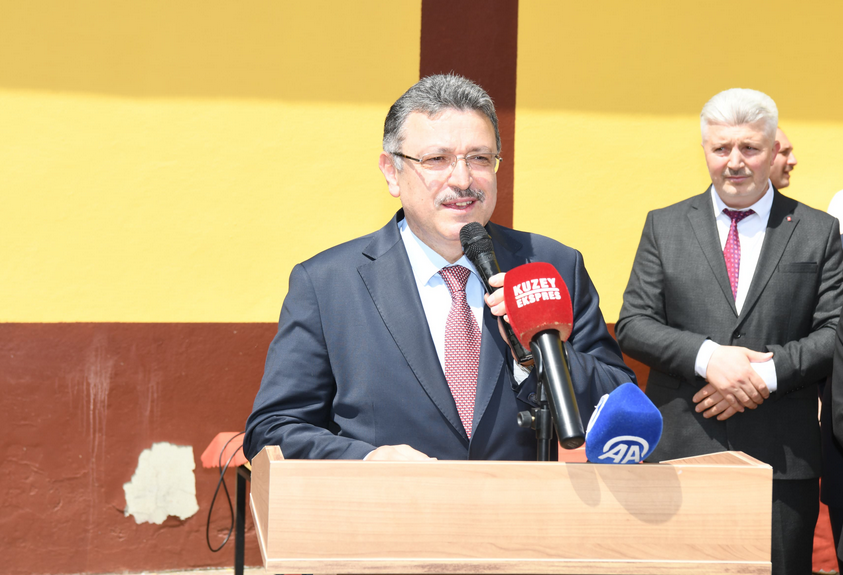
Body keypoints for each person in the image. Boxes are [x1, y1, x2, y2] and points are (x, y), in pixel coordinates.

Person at [244, 74, 634, 463]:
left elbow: (624, 406)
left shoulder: (549, 265)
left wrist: (545, 354)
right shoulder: (328, 283)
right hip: (386, 502)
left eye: (480, 158)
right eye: (437, 159)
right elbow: (273, 429)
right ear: (391, 172)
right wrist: (368, 461)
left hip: (522, 501)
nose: (462, 180)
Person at [615, 88, 843, 575]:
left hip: (783, 463)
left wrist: (763, 376)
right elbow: (633, 324)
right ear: (705, 149)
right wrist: (709, 358)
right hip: (680, 455)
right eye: (721, 148)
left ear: (772, 150)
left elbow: (835, 331)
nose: (734, 162)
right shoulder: (664, 226)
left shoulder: (819, 230)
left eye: (749, 148)